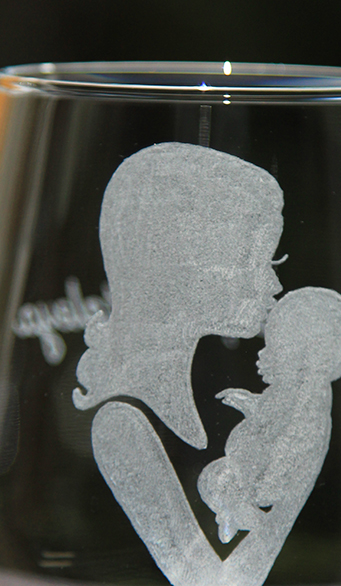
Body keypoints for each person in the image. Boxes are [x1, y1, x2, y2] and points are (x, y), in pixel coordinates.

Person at [73, 141, 284, 449]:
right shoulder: (122, 427)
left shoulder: (169, 409)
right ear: (176, 262)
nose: (274, 284)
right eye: (252, 261)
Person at [198, 287, 341, 543]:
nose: (264, 355)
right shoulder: (294, 390)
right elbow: (273, 413)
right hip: (252, 470)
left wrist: (250, 406)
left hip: (268, 475)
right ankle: (235, 515)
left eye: (276, 348)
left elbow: (284, 424)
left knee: (217, 479)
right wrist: (250, 403)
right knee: (214, 478)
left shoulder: (308, 393)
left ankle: (243, 517)